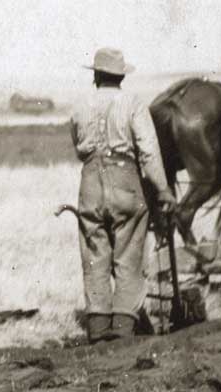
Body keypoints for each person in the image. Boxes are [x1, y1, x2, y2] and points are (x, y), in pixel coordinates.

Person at [69, 46, 175, 342]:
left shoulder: (80, 105)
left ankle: (98, 327)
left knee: (94, 255)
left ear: (97, 75)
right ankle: (122, 330)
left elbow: (79, 147)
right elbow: (149, 151)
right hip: (126, 183)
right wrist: (163, 190)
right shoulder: (133, 103)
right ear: (120, 77)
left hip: (89, 185)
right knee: (128, 255)